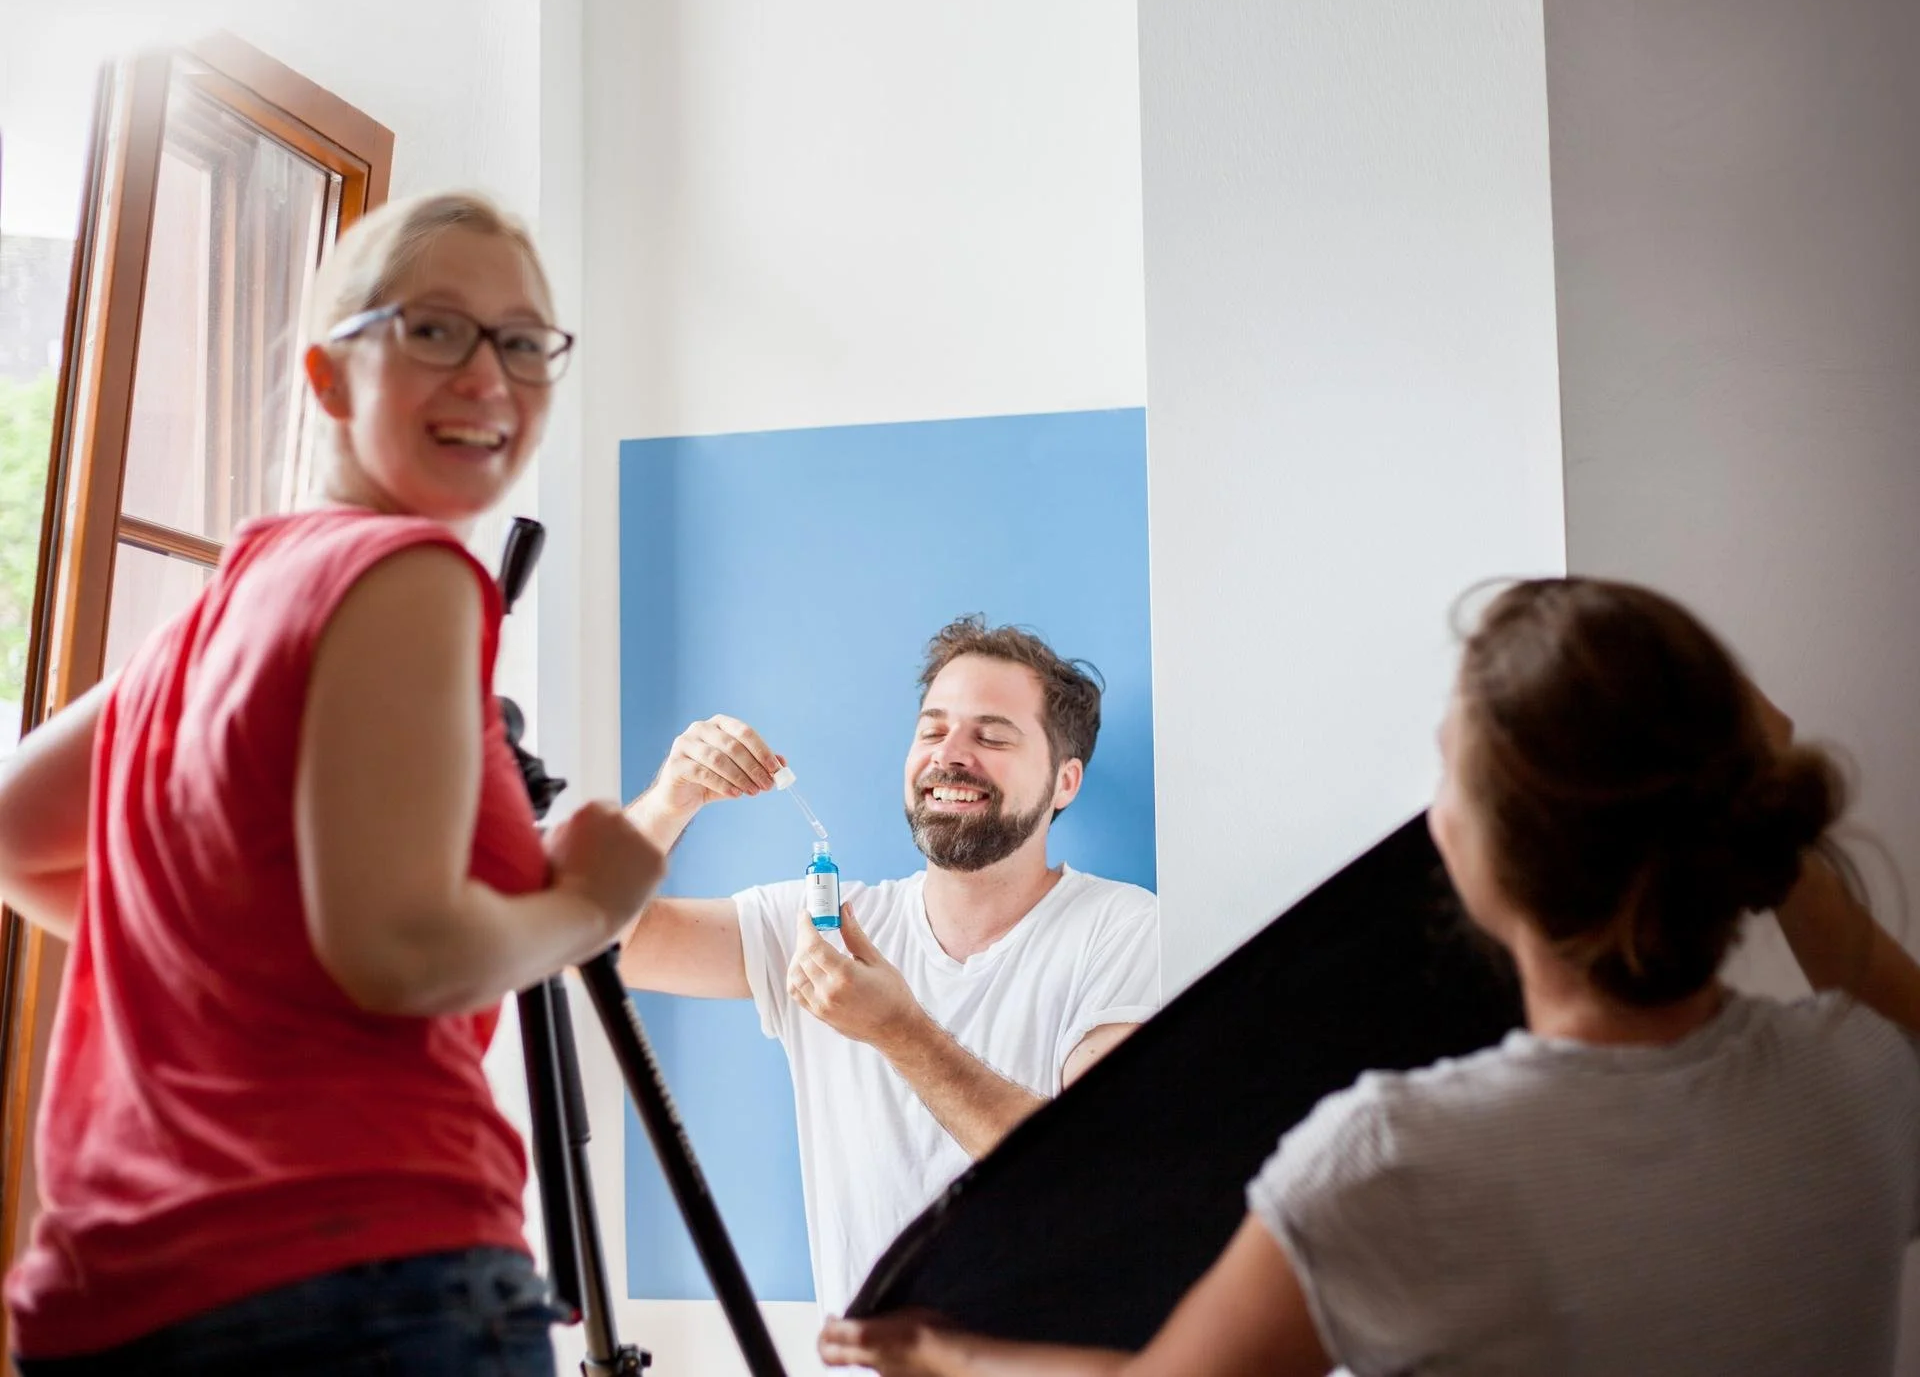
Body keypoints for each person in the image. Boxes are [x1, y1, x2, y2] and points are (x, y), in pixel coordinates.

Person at [819, 578, 1920, 1377]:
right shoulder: (1860, 1076)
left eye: (1447, 773)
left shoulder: (1400, 1157)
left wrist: (955, 1359)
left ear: (1483, 860)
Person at [0, 192, 664, 1375]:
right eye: (435, 330)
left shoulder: (227, 603)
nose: (490, 377)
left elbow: (16, 837)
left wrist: (235, 979)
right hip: (366, 1279)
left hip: (122, 1292)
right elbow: (401, 953)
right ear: (325, 374)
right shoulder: (411, 572)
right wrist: (586, 909)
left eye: (524, 341)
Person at [620, 618, 1159, 1315]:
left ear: (1065, 782)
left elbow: (1089, 1175)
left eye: (991, 735)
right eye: (932, 731)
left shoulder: (1121, 932)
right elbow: (593, 946)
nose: (950, 756)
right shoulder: (821, 930)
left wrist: (900, 1031)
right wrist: (671, 802)